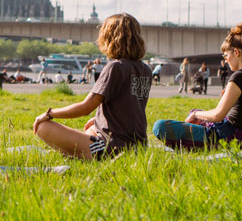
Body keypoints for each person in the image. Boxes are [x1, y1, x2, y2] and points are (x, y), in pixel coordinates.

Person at [32, 13, 152, 160]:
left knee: (43, 128)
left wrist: (49, 114)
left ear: (109, 37)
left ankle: (84, 156)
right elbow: (128, 106)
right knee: (91, 127)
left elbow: (85, 108)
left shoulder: (115, 67)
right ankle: (80, 152)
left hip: (112, 148)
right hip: (137, 146)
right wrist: (99, 121)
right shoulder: (145, 70)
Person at [153, 23, 242, 150]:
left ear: (236, 52)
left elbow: (218, 115)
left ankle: (191, 143)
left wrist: (195, 115)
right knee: (198, 113)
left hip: (228, 137)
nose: (225, 60)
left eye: (226, 56)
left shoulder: (239, 76)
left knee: (160, 126)